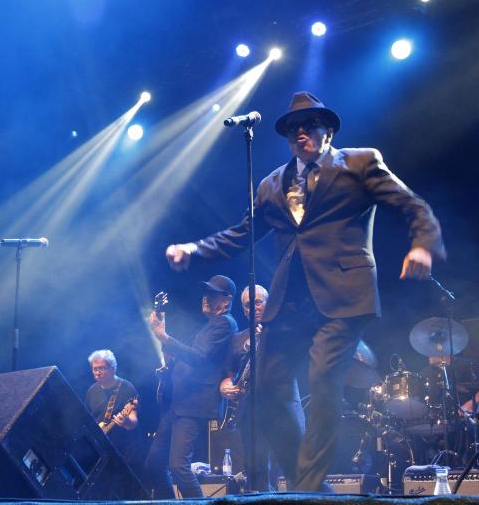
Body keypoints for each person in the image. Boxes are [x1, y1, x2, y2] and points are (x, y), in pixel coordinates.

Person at [165, 92, 445, 491]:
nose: (301, 133)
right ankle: (311, 487)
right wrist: (195, 249)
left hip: (345, 296)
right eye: (293, 128)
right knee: (265, 391)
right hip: (291, 303)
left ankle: (306, 491)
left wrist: (421, 245)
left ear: (327, 130)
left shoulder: (360, 162)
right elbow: (242, 234)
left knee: (323, 378)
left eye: (310, 125)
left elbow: (412, 204)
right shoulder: (271, 185)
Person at [145, 275, 236, 498]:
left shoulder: (224, 323)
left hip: (194, 404)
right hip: (178, 404)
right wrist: (166, 349)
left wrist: (163, 336)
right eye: (206, 293)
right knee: (154, 463)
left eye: (213, 294)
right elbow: (186, 359)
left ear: (227, 300)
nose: (206, 297)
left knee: (178, 466)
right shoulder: (208, 327)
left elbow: (199, 358)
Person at [218, 284, 305, 491]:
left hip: (283, 405)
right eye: (248, 305)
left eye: (258, 302)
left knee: (296, 465)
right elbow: (228, 374)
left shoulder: (284, 330)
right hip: (251, 410)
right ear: (244, 309)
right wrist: (225, 386)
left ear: (268, 303)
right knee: (256, 469)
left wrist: (270, 335)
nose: (254, 308)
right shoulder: (237, 338)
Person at [84, 350, 142, 470]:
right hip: (102, 451)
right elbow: (87, 420)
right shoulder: (91, 391)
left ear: (112, 368)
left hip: (125, 451)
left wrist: (125, 422)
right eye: (95, 369)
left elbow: (133, 420)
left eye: (101, 368)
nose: (97, 373)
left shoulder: (127, 388)